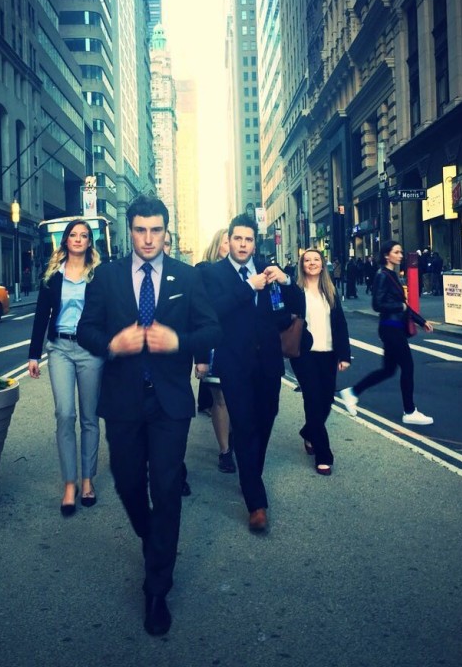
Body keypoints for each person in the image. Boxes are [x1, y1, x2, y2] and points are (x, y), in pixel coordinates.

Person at [77, 194, 220, 637]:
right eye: (140, 230)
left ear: (166, 232)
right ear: (130, 230)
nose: (148, 238)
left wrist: (178, 342)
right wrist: (110, 345)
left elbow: (212, 329)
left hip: (169, 403)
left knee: (166, 487)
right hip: (122, 400)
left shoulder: (187, 276)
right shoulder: (107, 276)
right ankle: (152, 535)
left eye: (156, 230)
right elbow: (85, 329)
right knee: (126, 482)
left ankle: (157, 589)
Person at [204, 213, 299, 534]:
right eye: (238, 239)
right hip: (235, 365)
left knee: (266, 420)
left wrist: (285, 281)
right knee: (244, 426)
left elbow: (296, 306)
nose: (243, 244)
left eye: (248, 239)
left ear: (254, 243)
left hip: (269, 363)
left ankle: (250, 475)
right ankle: (256, 503)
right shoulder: (214, 273)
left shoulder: (268, 270)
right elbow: (213, 310)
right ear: (229, 241)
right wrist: (248, 287)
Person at [27, 220, 105, 516]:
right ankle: (69, 484)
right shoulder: (52, 276)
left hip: (89, 351)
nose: (78, 239)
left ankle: (87, 481)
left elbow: (108, 313)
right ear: (66, 240)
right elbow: (41, 315)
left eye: (84, 235)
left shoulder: (97, 275)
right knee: (64, 414)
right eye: (73, 235)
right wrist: (33, 355)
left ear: (89, 242)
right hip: (59, 348)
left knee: (89, 417)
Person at [339, 240, 434, 425]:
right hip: (391, 328)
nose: (400, 255)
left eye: (401, 252)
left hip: (394, 327)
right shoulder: (382, 275)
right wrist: (399, 306)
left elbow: (404, 306)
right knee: (407, 367)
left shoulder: (392, 274)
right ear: (386, 255)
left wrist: (422, 321)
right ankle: (409, 411)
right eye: (396, 252)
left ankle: (352, 392)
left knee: (388, 370)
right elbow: (377, 304)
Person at [289, 249, 351, 475]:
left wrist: (344, 355)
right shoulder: (296, 291)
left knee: (326, 401)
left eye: (316, 259)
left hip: (329, 353)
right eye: (307, 260)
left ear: (323, 265)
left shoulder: (330, 291)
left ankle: (309, 432)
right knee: (313, 400)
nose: (312, 263)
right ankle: (323, 455)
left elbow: (340, 324)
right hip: (304, 354)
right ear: (302, 265)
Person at [196, 228, 235, 473]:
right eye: (227, 241)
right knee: (220, 399)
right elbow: (198, 313)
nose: (232, 245)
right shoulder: (203, 270)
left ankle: (235, 437)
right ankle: (225, 451)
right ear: (217, 245)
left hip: (240, 344)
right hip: (215, 344)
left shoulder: (245, 271)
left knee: (239, 397)